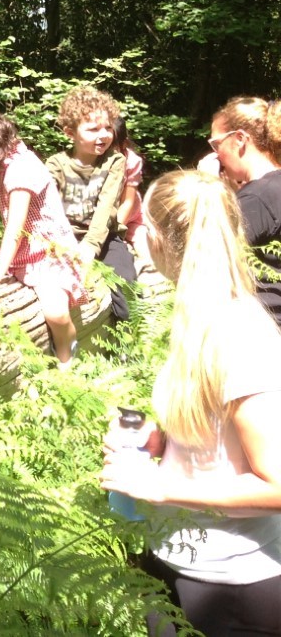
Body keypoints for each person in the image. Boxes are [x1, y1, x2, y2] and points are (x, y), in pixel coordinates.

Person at [100, 170, 281, 637]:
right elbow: (216, 439)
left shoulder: (240, 332)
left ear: (156, 237)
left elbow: (276, 486)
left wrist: (162, 487)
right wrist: (159, 443)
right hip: (178, 562)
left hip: (235, 587)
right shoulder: (199, 315)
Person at [0, 102, 88, 368]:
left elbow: (14, 230)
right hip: (24, 253)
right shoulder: (10, 160)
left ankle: (68, 359)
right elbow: (17, 201)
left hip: (48, 257)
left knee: (57, 313)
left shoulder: (20, 168)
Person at [44, 86, 138, 321]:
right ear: (70, 133)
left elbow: (106, 208)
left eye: (107, 127)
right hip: (65, 238)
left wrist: (89, 247)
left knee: (125, 284)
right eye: (93, 129)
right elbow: (46, 208)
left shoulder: (114, 161)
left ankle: (125, 344)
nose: (103, 135)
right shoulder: (56, 164)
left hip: (104, 237)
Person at [206, 96, 281, 324]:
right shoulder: (267, 191)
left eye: (216, 144)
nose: (216, 155)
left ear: (239, 139)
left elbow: (206, 257)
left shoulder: (257, 199)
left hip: (268, 330)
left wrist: (207, 188)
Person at [113, 113, 146, 250]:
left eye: (111, 147)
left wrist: (114, 234)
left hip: (132, 218)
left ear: (124, 144)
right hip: (101, 219)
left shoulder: (131, 162)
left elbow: (128, 202)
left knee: (146, 245)